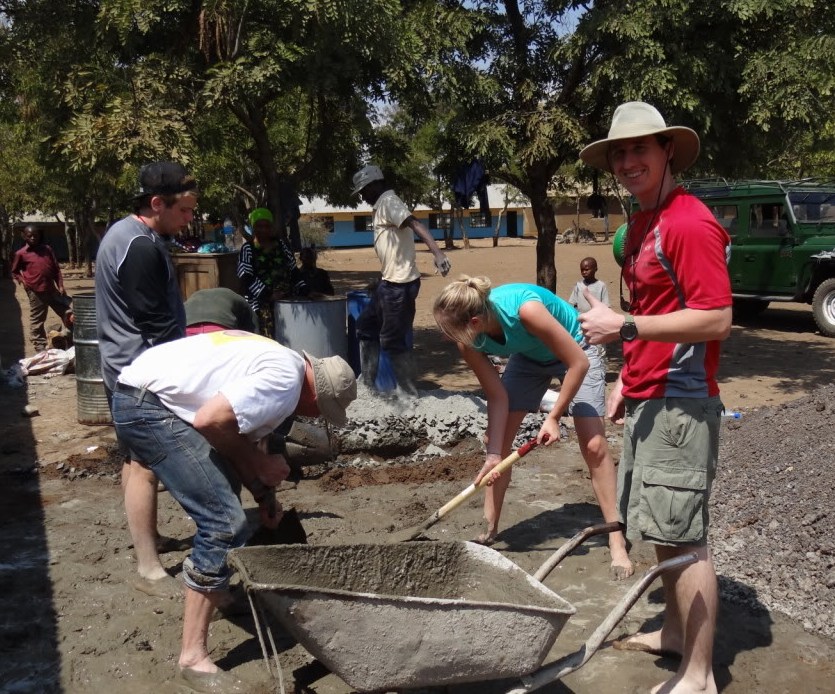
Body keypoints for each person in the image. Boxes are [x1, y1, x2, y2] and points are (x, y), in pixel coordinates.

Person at [577, 101, 731, 694]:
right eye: (618, 151)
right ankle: (673, 633)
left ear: (668, 150)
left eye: (640, 148)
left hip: (682, 401)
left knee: (686, 538)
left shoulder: (689, 223)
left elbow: (716, 319)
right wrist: (625, 375)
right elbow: (650, 312)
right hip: (651, 393)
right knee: (665, 527)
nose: (627, 160)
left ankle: (699, 677)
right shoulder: (643, 225)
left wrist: (627, 332)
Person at [110, 331, 356, 689]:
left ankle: (219, 592)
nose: (315, 417)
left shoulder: (282, 362)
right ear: (315, 393)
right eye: (321, 410)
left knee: (226, 497)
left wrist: (263, 494)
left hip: (144, 391)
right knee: (224, 523)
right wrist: (261, 462)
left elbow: (235, 436)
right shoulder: (284, 383)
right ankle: (193, 658)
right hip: (148, 406)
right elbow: (211, 420)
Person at [432, 276, 633, 578]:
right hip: (529, 357)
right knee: (496, 445)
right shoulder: (468, 341)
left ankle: (616, 537)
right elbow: (497, 396)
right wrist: (492, 454)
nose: (447, 338)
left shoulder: (525, 311)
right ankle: (488, 530)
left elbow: (578, 363)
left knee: (592, 445)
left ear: (474, 321)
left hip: (578, 348)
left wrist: (553, 416)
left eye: (449, 331)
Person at [95, 161, 197, 599]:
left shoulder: (127, 235)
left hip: (121, 366)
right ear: (157, 203)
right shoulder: (140, 247)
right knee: (144, 467)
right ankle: (149, 564)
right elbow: (157, 326)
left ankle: (148, 539)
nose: (189, 218)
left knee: (133, 461)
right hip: (138, 374)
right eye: (185, 210)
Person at [351, 164, 452, 395]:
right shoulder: (382, 205)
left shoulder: (389, 201)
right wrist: (381, 281)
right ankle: (368, 386)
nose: (363, 196)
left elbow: (414, 223)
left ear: (375, 184)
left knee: (392, 340)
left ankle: (408, 392)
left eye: (364, 191)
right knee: (365, 326)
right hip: (389, 283)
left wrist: (438, 253)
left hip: (399, 286)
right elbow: (394, 251)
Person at [237, 207, 307, 338]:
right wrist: (269, 295)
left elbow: (293, 270)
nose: (263, 229)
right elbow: (246, 277)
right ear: (253, 227)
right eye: (259, 226)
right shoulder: (248, 248)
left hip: (285, 302)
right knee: (267, 340)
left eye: (266, 225)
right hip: (259, 304)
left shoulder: (281, 245)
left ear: (271, 227)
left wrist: (305, 290)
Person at [11, 225, 71, 353]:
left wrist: (60, 285)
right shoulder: (21, 254)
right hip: (35, 291)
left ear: (39, 235)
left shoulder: (47, 249)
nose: (33, 237)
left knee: (68, 313)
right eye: (29, 235)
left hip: (52, 290)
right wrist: (23, 282)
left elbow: (56, 269)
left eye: (35, 235)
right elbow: (14, 271)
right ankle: (40, 346)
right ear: (24, 236)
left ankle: (70, 339)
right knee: (37, 320)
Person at [184, 287, 258, 335]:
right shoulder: (244, 306)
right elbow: (254, 331)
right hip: (217, 330)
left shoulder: (195, 297)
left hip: (188, 328)